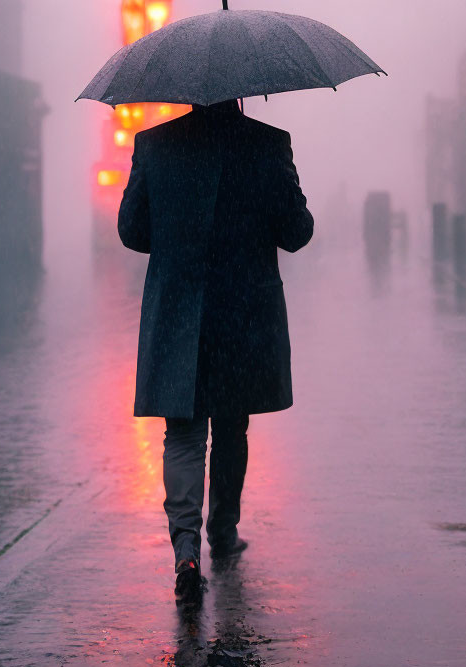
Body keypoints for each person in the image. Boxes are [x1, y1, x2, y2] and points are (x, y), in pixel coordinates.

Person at [118, 99, 314, 606]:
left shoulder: (155, 146)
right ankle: (222, 532)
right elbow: (298, 233)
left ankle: (186, 553)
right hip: (242, 312)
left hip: (179, 311)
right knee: (231, 427)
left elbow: (132, 231)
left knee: (182, 436)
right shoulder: (268, 145)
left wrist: (179, 235)